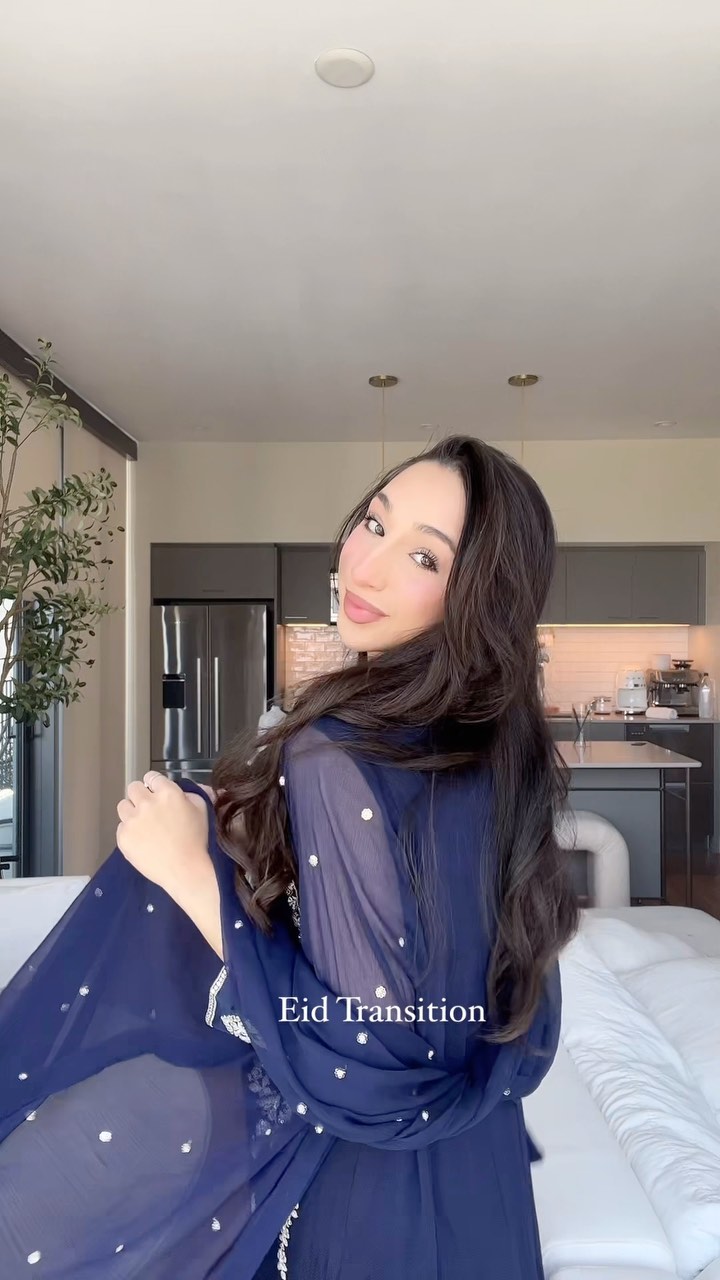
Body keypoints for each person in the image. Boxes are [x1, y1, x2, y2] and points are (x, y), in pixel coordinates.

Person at [0, 435, 578, 1279]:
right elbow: (454, 983)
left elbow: (366, 1055)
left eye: (423, 555)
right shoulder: (500, 745)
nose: (367, 566)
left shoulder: (337, 750)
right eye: (374, 523)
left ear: (478, 596)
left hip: (370, 1200)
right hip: (478, 1178)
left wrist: (190, 873)